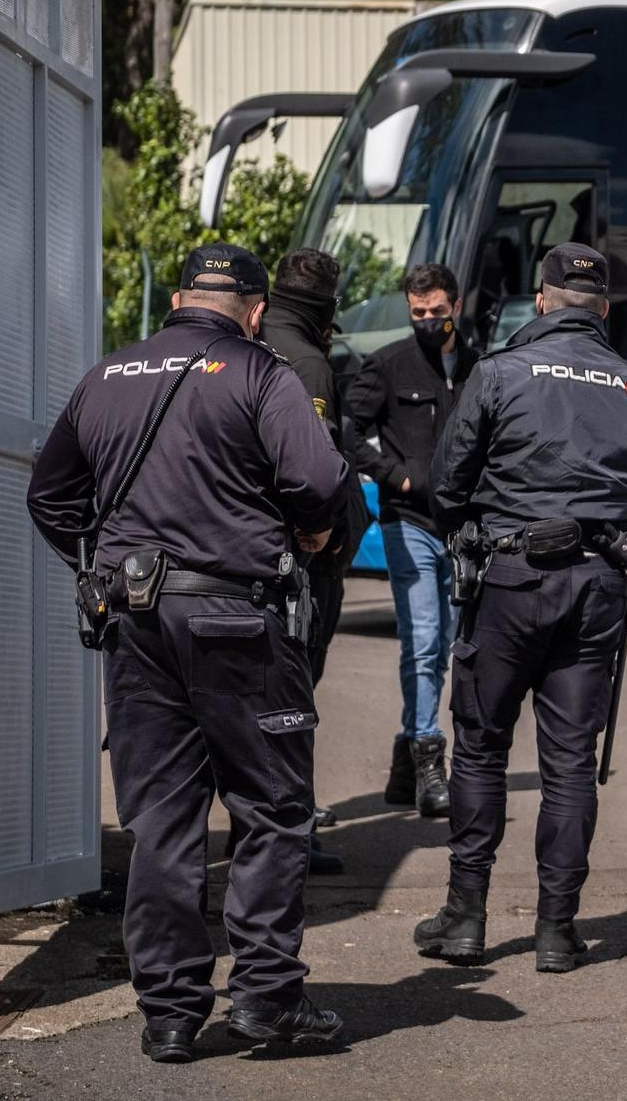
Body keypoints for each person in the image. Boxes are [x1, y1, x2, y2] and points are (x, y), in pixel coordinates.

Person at [26, 245, 348, 1063]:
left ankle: (170, 1013)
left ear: (177, 298)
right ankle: (267, 1002)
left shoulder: (108, 375)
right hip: (237, 619)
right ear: (249, 307)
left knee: (163, 820)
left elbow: (49, 495)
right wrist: (310, 531)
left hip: (134, 619)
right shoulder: (261, 372)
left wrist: (100, 568)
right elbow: (317, 479)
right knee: (272, 809)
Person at [412, 243, 627, 974]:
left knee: (483, 746)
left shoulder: (498, 373)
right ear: (605, 312)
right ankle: (558, 932)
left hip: (511, 580)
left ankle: (465, 919)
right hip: (597, 587)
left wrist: (473, 532)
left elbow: (447, 484)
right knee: (568, 764)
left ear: (543, 298)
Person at [347, 264, 482, 814]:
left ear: (455, 304)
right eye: (418, 313)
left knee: (449, 645)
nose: (428, 320)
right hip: (409, 524)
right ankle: (430, 762)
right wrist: (395, 475)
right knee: (424, 642)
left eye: (437, 311)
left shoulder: (480, 368)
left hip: (464, 529)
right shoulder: (388, 364)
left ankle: (405, 769)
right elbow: (349, 431)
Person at [256, 247, 371, 873]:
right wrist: (321, 533)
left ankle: (263, 831)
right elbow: (317, 471)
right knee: (292, 702)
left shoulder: (245, 342)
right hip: (302, 566)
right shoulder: (308, 363)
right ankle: (289, 837)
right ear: (325, 308)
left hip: (246, 556)